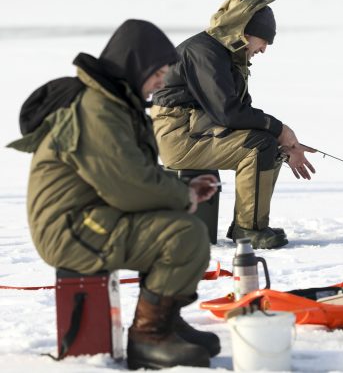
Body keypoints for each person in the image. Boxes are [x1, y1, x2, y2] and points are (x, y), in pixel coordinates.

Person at [7, 19, 220, 370]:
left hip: (91, 217)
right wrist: (185, 197)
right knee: (183, 234)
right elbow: (130, 186)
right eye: (158, 72)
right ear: (136, 66)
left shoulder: (114, 103)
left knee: (179, 224)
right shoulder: (98, 109)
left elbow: (134, 175)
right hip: (70, 229)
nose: (161, 82)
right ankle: (149, 338)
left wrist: (184, 191)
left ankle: (164, 321)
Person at [151, 0, 316, 250]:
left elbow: (239, 112)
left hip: (195, 129)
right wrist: (279, 129)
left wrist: (281, 137)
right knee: (260, 145)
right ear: (244, 32)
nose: (263, 50)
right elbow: (228, 113)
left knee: (266, 143)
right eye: (264, 41)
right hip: (178, 137)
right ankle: (249, 231)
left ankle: (252, 226)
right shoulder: (205, 53)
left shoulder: (225, 54)